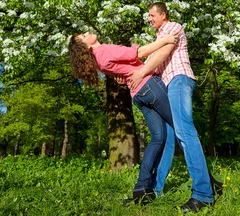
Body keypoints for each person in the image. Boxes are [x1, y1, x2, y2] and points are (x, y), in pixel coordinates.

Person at [128, 2, 222, 212]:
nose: (150, 19)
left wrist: (141, 72)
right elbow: (150, 62)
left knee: (185, 133)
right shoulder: (158, 38)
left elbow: (161, 55)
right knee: (169, 139)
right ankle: (156, 190)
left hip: (178, 80)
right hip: (168, 86)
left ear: (163, 15)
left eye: (153, 15)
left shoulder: (173, 28)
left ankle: (203, 194)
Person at [68, 31, 178, 205]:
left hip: (138, 95)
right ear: (85, 46)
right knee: (182, 129)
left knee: (158, 138)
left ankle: (141, 188)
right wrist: (166, 40)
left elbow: (123, 70)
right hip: (150, 86)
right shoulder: (104, 51)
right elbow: (139, 53)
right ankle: (206, 182)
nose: (86, 32)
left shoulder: (99, 62)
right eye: (82, 35)